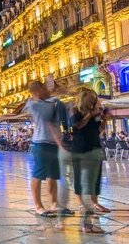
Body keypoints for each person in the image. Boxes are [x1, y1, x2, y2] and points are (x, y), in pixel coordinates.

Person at [16, 81, 73, 218]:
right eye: (42, 88)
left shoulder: (51, 101)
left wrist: (62, 91)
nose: (46, 89)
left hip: (54, 143)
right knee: (38, 174)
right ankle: (38, 207)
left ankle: (54, 205)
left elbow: (69, 99)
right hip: (41, 143)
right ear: (36, 91)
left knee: (53, 175)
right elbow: (34, 104)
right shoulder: (33, 104)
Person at [69, 89, 107, 233]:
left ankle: (89, 216)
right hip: (80, 150)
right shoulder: (75, 111)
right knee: (84, 184)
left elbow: (99, 132)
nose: (94, 101)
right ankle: (86, 221)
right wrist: (89, 116)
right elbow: (76, 126)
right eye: (92, 98)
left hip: (95, 149)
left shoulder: (95, 112)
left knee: (94, 183)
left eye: (95, 98)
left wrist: (104, 120)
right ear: (84, 99)